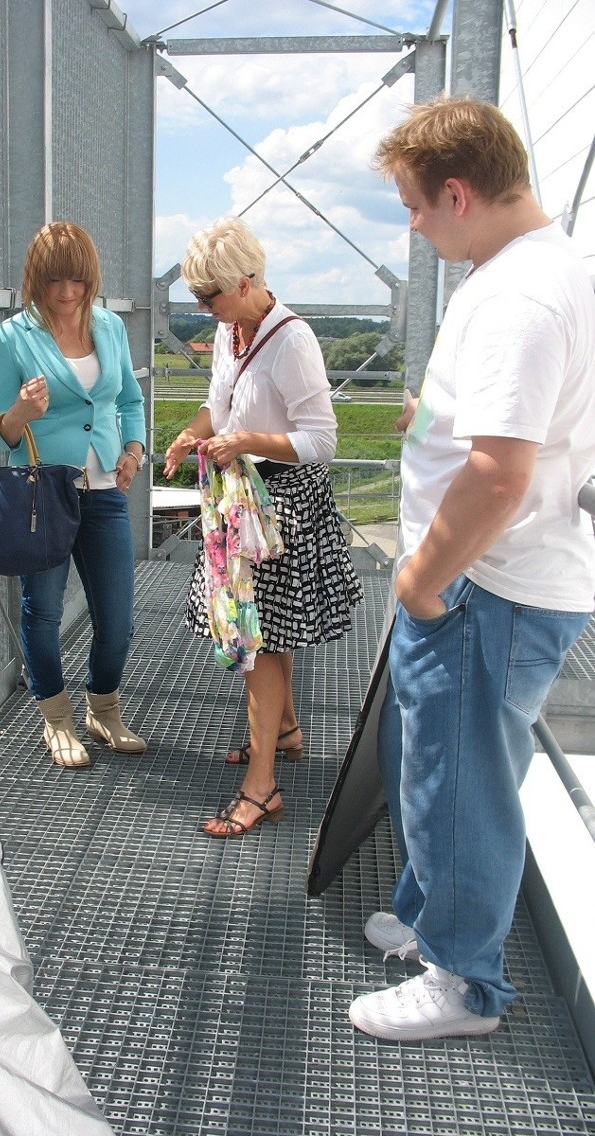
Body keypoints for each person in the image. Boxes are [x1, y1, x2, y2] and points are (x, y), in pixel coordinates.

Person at [349, 96, 595, 1041]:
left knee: (462, 783)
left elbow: (499, 475)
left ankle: (462, 982)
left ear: (457, 192)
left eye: (414, 204)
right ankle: (428, 919)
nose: (411, 223)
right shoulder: (545, 268)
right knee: (441, 771)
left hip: (486, 587)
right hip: (502, 581)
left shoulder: (515, 296)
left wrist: (420, 581)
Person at [164, 217, 363, 837]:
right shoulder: (233, 331)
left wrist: (247, 440)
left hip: (280, 506)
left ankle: (261, 785)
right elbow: (218, 406)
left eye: (209, 297)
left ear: (246, 282)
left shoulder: (291, 340)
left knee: (259, 642)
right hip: (246, 498)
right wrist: (193, 434)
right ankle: (285, 732)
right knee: (267, 635)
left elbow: (322, 439)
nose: (203, 309)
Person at [0, 221, 148, 769]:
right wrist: (22, 414)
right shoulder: (11, 338)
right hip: (43, 494)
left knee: (118, 614)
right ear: (36, 279)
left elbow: (128, 399)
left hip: (104, 489)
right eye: (55, 281)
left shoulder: (109, 327)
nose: (67, 292)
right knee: (44, 611)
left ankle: (104, 708)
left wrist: (133, 451)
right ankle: (55, 718)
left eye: (77, 280)